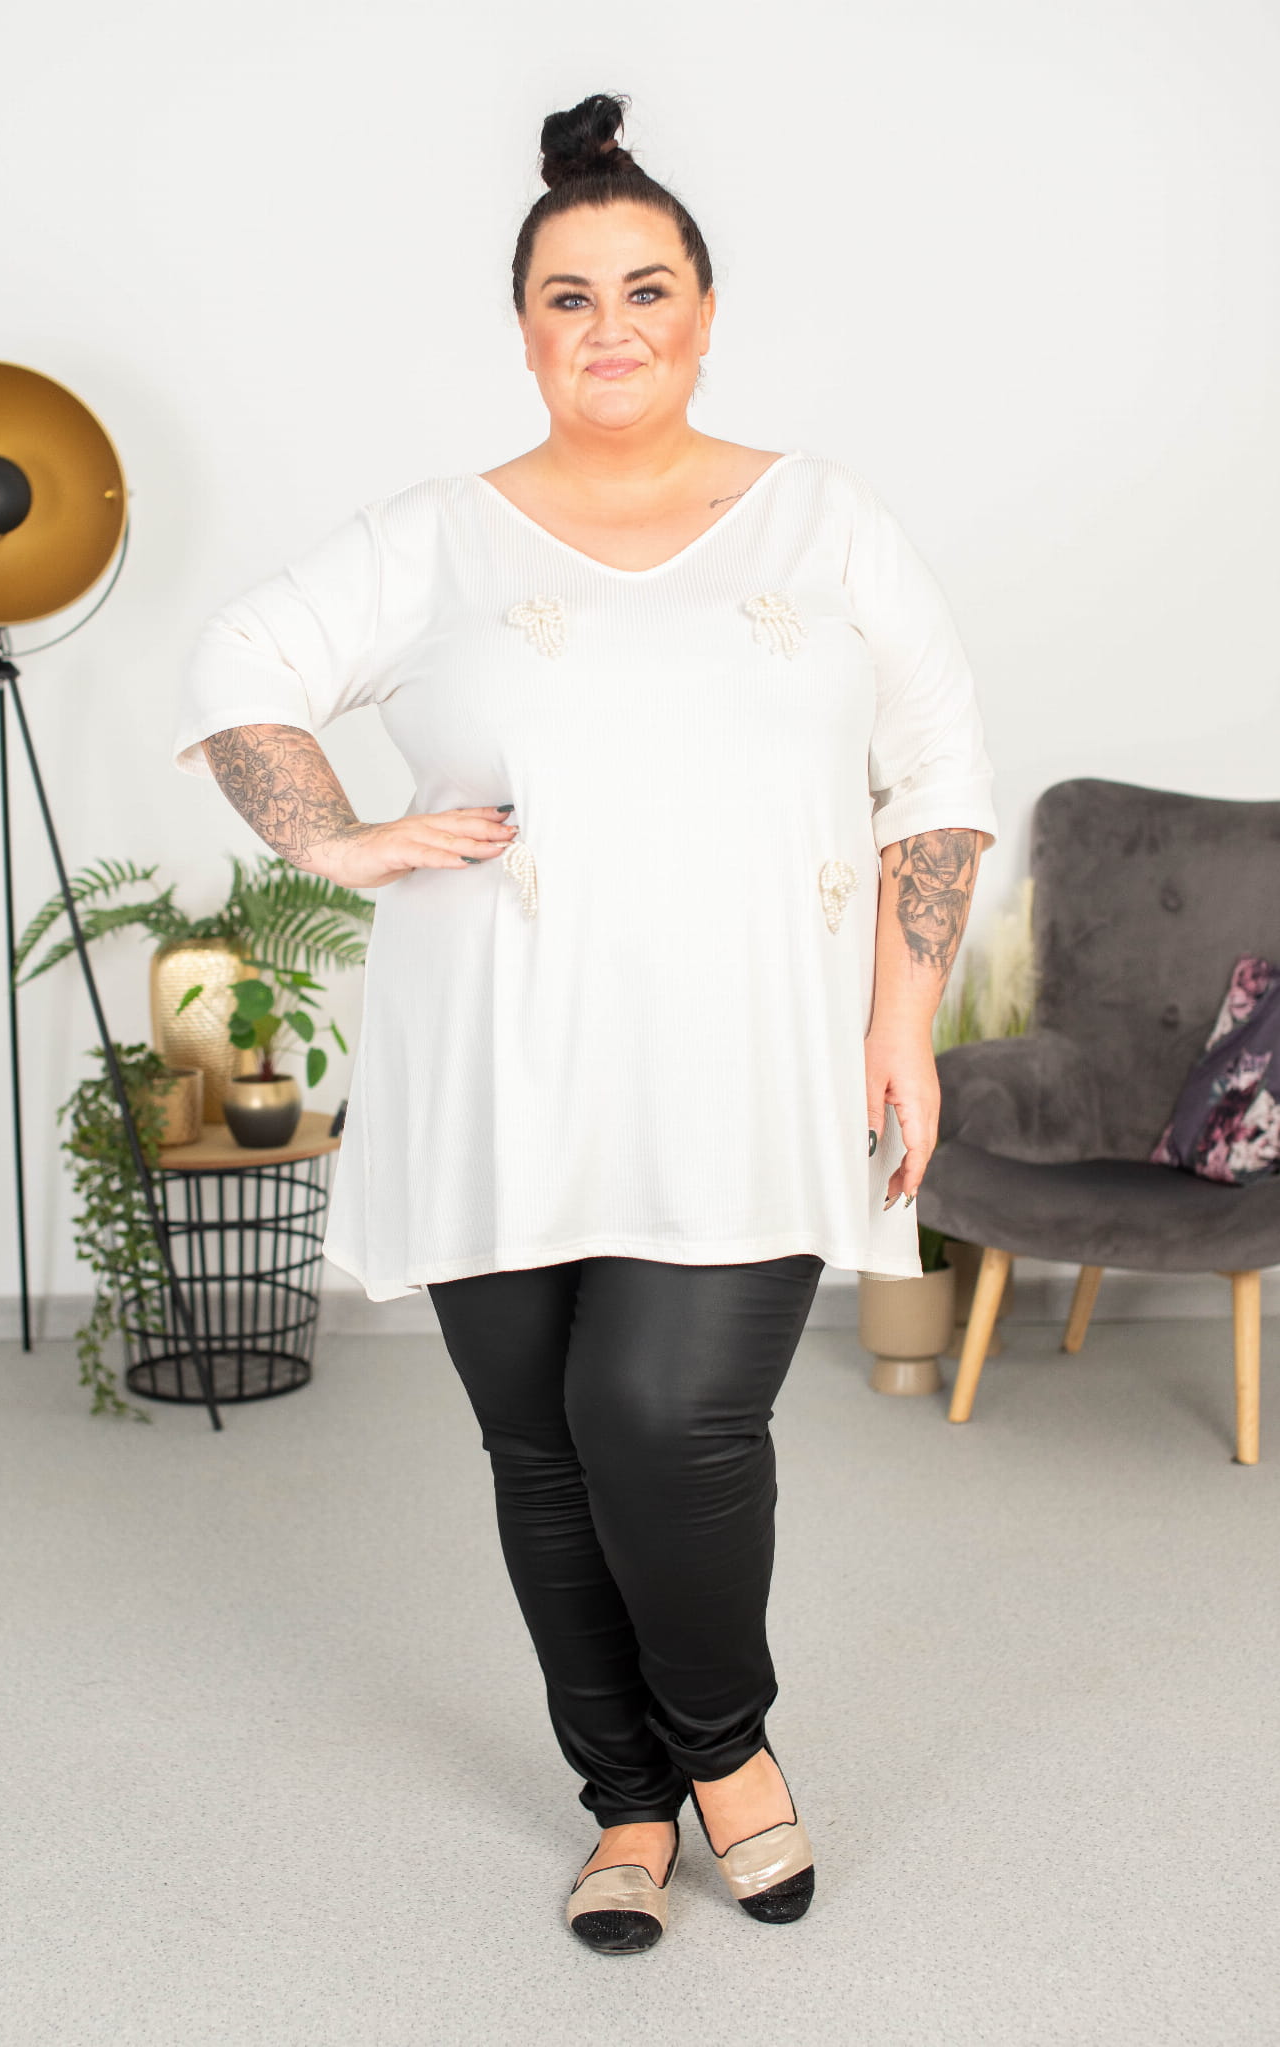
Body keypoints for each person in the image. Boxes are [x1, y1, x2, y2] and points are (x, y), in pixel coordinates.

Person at [172, 91, 998, 1954]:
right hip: (497, 1056)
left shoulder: (826, 520)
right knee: (542, 1445)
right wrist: (340, 839)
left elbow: (939, 776)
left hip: (751, 1054)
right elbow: (242, 665)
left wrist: (904, 1017)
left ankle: (728, 1752)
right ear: (524, 329)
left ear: (704, 313)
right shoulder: (438, 537)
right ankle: (622, 1799)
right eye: (568, 296)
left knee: (662, 1415)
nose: (608, 326)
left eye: (644, 290)